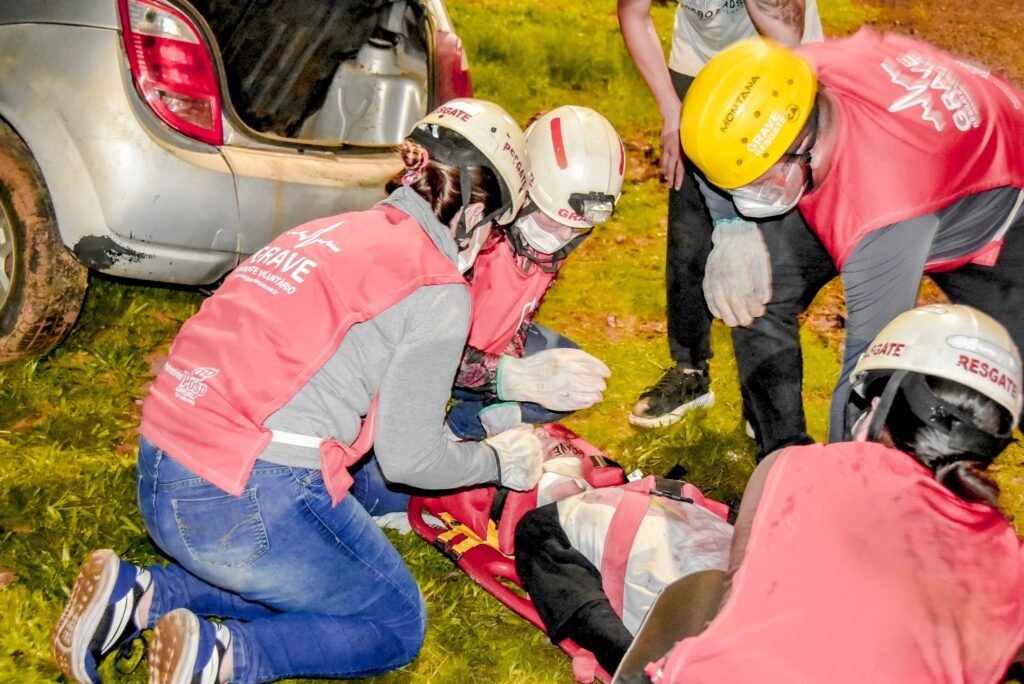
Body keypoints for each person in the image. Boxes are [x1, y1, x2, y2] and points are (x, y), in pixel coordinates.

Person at [50, 98, 546, 684]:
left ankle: (140, 596)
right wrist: (496, 461)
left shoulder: (329, 230)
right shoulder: (437, 285)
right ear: (475, 207)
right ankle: (222, 657)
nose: (487, 244)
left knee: (320, 572)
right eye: (493, 228)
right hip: (241, 494)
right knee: (393, 620)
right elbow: (409, 458)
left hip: (161, 467)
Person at [619, 304, 1024, 682]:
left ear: (878, 406)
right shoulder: (1011, 562)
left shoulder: (797, 467)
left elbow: (742, 597)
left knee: (703, 592)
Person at [680, 30, 1024, 440]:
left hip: (1001, 201)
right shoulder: (789, 77)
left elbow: (868, 369)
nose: (742, 199)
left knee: (1015, 374)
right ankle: (781, 453)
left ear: (802, 147)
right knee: (755, 290)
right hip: (909, 166)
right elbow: (709, 154)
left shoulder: (879, 211)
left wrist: (842, 483)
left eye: (754, 186)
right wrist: (730, 227)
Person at [617, 0, 827, 443]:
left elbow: (786, 38)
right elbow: (633, 13)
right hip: (700, 71)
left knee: (767, 244)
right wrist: (673, 114)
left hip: (779, 66)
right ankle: (690, 370)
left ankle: (764, 403)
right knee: (692, 235)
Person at [446, 105, 624, 440]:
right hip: (436, 355)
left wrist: (513, 381)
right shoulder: (469, 238)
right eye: (554, 222)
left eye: (575, 230)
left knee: (576, 377)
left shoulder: (549, 232)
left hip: (483, 348)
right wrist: (509, 378)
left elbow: (523, 312)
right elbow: (424, 349)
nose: (561, 237)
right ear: (524, 194)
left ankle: (463, 427)